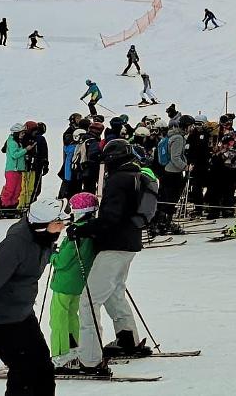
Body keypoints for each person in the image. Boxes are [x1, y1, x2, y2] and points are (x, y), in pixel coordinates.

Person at [0, 199, 66, 393]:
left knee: (43, 369)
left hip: (22, 313)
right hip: (1, 319)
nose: (62, 227)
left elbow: (38, 256)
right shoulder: (14, 246)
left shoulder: (42, 238)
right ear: (41, 226)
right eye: (58, 223)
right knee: (24, 373)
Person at [68, 140, 156, 375]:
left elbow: (111, 218)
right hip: (129, 243)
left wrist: (83, 229)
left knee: (89, 300)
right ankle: (128, 340)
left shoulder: (118, 179)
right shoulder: (137, 175)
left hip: (114, 244)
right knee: (114, 292)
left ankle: (89, 359)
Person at [49, 192, 97, 369]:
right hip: (79, 281)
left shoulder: (75, 233)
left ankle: (60, 354)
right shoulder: (90, 229)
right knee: (71, 315)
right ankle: (74, 348)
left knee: (58, 318)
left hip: (64, 282)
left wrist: (52, 255)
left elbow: (62, 262)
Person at [0, 122, 31, 216]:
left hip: (18, 170)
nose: (23, 135)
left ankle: (12, 206)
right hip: (12, 170)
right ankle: (4, 207)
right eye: (21, 133)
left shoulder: (18, 143)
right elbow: (14, 155)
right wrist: (26, 150)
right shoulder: (12, 142)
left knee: (18, 189)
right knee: (10, 189)